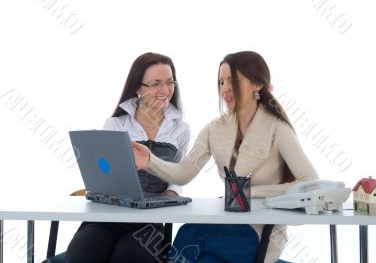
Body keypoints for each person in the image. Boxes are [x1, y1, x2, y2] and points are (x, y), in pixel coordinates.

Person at [132, 51, 319, 263]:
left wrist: (249, 192)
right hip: (227, 223)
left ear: (257, 84)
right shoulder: (215, 128)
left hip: (260, 233)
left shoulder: (278, 129)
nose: (225, 89)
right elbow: (184, 173)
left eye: (233, 80)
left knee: (192, 233)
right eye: (221, 82)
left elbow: (311, 184)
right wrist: (149, 160)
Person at [64, 52, 191, 263]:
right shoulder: (116, 124)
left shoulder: (181, 129)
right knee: (82, 255)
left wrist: (171, 192)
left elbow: (179, 174)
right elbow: (102, 173)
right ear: (137, 88)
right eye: (155, 84)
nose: (165, 90)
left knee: (129, 258)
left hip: (149, 221)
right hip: (108, 215)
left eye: (170, 82)